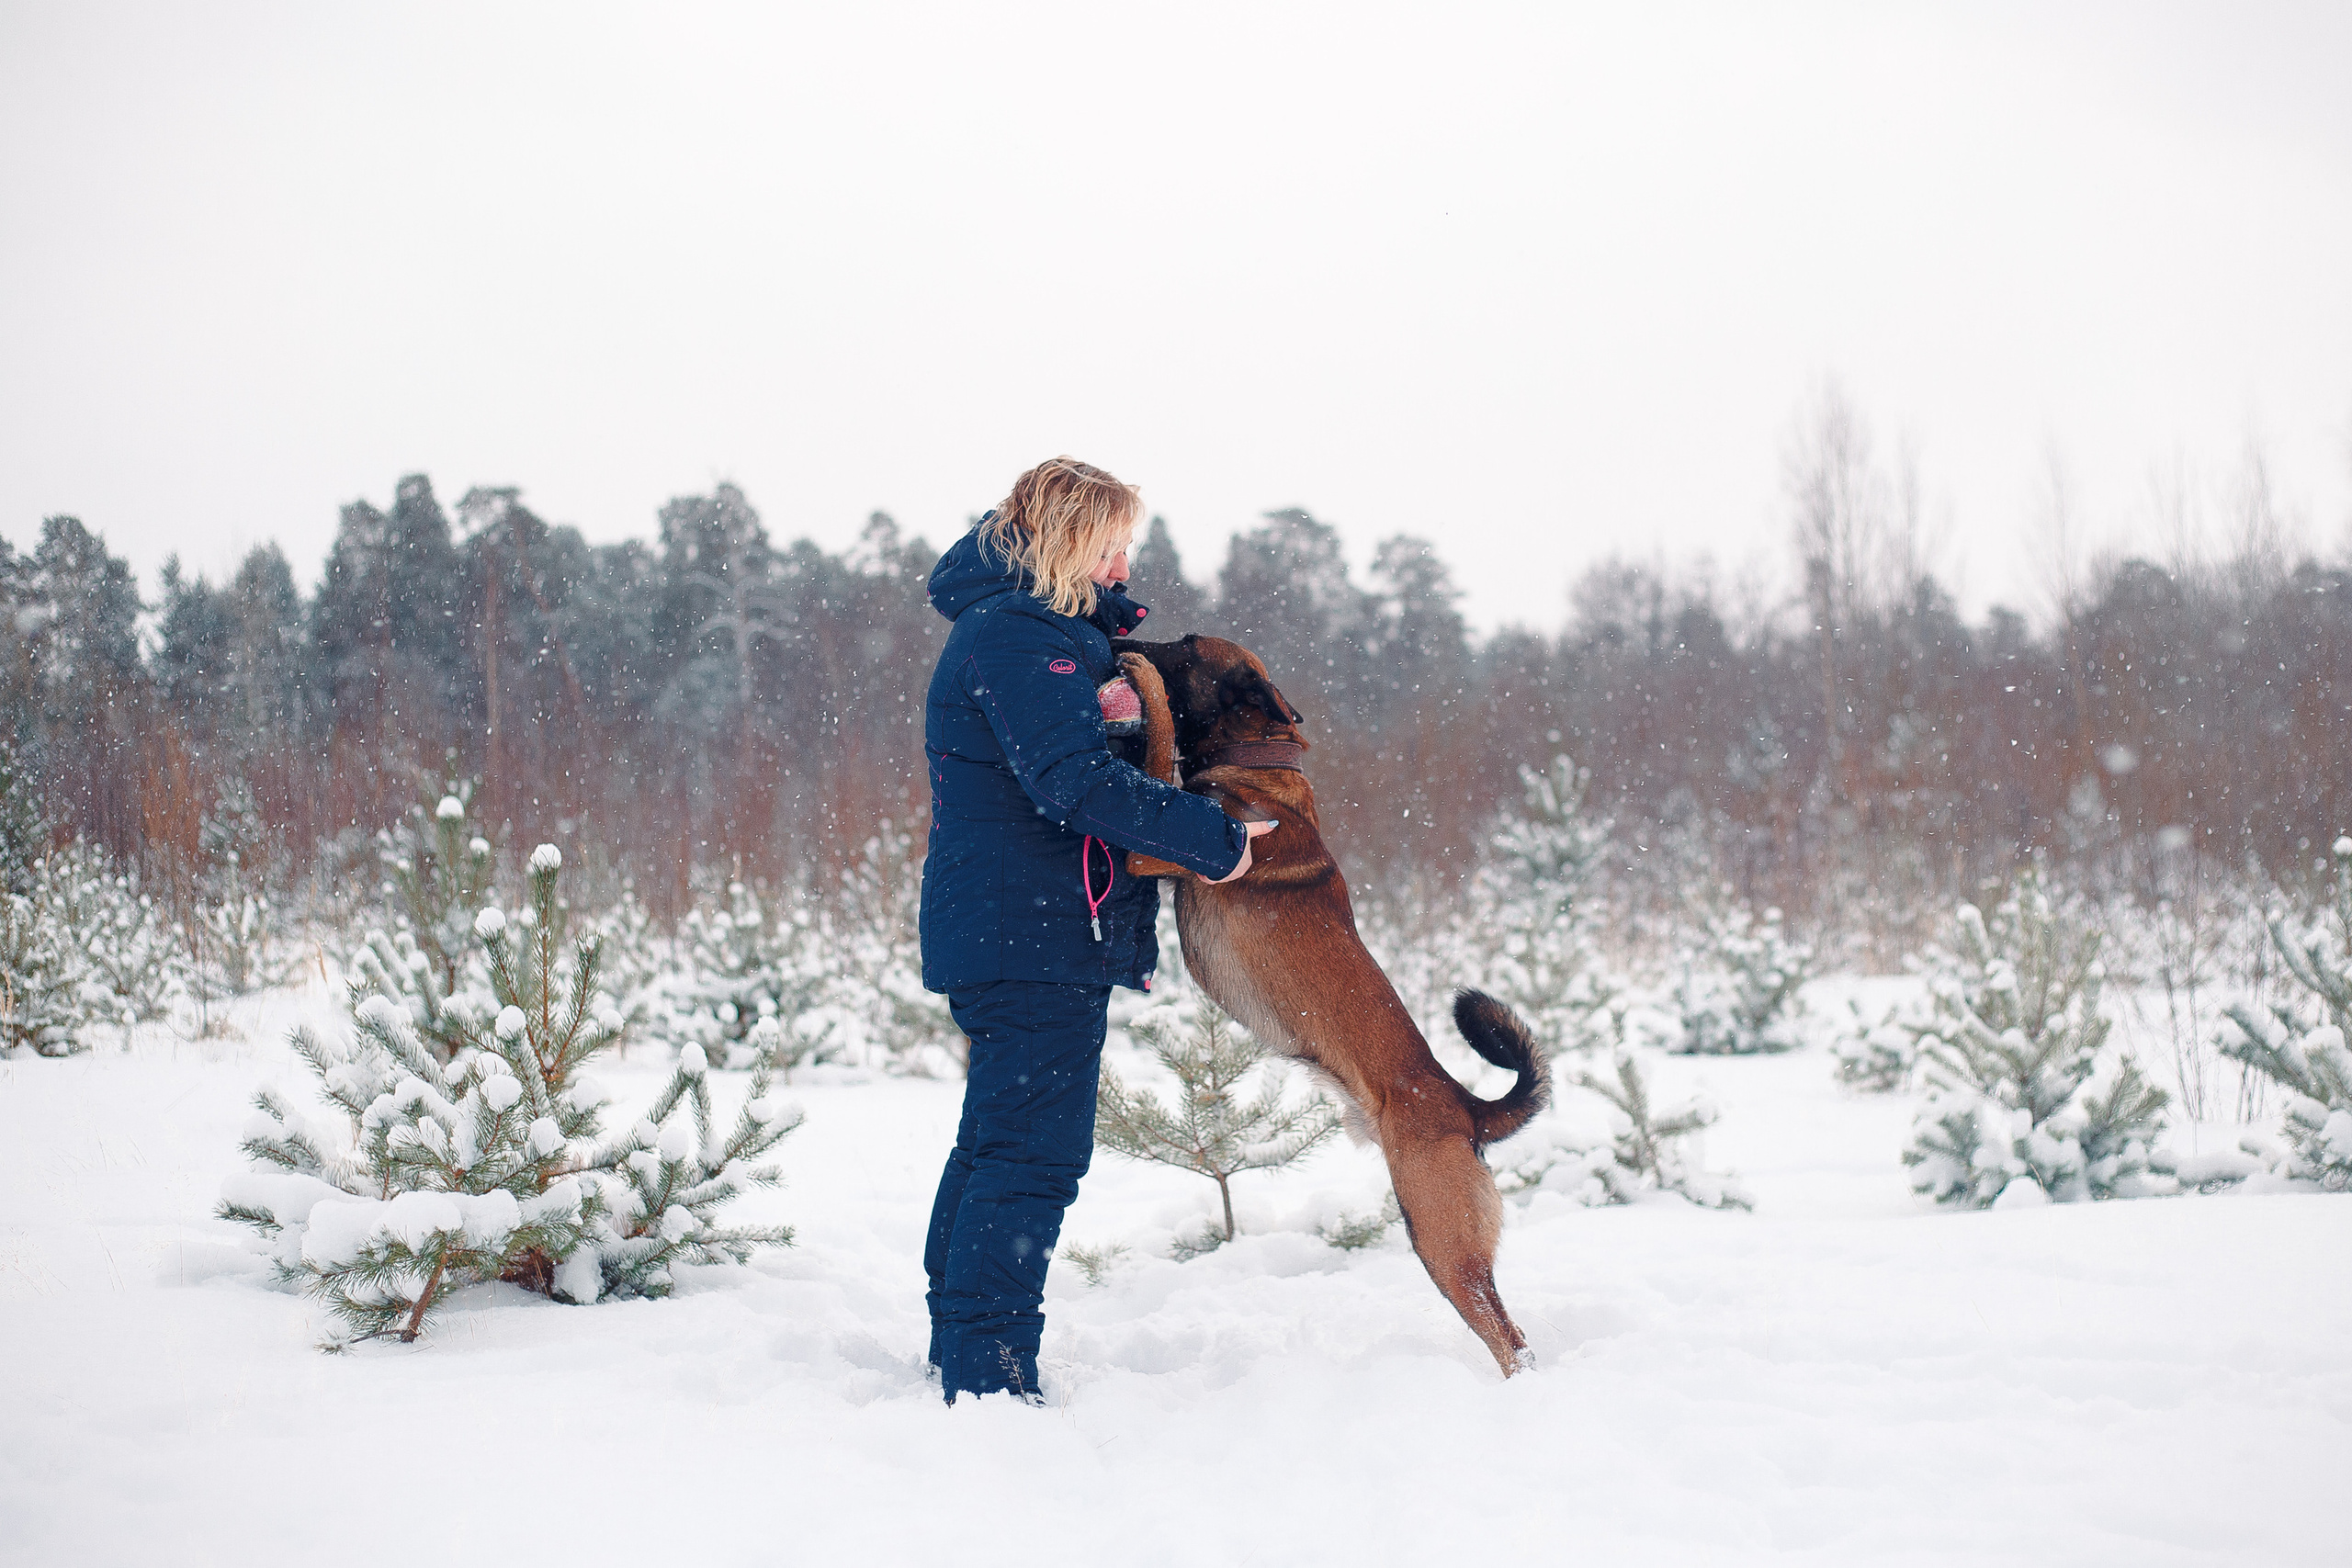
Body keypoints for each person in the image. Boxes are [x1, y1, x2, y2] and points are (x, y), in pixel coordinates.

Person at [918, 456, 1274, 1404]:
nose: (1126, 565)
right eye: (1115, 545)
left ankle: (961, 1342)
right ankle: (988, 1376)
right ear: (1074, 543)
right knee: (1031, 1155)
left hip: (1020, 931)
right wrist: (1217, 844)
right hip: (1029, 936)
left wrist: (1107, 696)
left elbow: (1059, 750)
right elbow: (1070, 785)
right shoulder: (1018, 636)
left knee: (998, 1143)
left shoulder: (1030, 634)